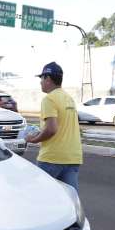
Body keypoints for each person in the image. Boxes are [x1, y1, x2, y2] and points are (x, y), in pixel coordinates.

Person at [25, 62, 83, 192]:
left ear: (48, 78)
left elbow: (51, 129)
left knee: (41, 196)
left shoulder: (49, 99)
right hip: (73, 157)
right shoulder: (69, 98)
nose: (40, 82)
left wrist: (33, 139)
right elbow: (63, 126)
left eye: (41, 78)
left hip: (52, 157)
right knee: (69, 199)